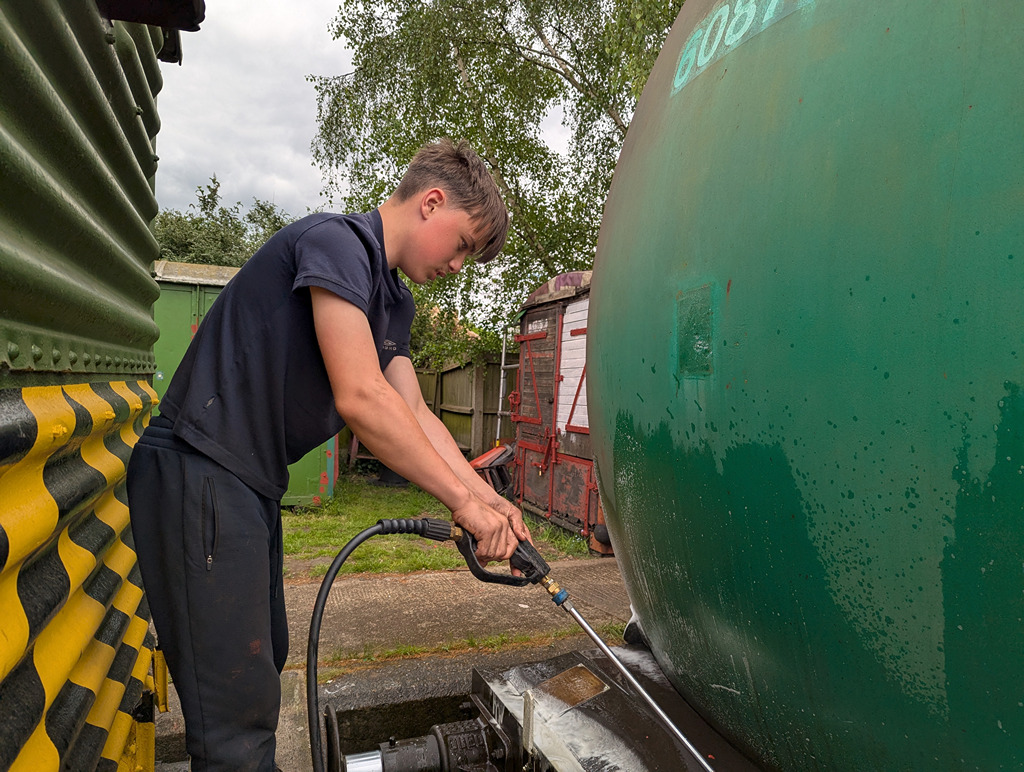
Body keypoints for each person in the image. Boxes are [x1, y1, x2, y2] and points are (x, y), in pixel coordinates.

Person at [126, 138, 529, 772]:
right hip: (198, 466)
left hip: (250, 481)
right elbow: (363, 399)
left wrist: (488, 500)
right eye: (462, 246)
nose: (459, 266)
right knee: (233, 711)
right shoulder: (338, 244)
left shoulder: (391, 300)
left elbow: (413, 412)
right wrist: (462, 505)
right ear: (431, 202)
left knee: (265, 662)